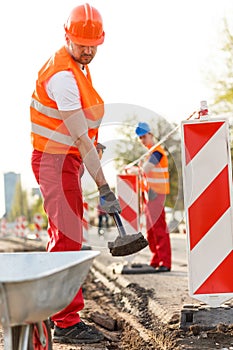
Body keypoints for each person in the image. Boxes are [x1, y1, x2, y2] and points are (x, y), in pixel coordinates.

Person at [30, 3, 121, 344]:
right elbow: (81, 138)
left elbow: (81, 136)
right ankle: (66, 322)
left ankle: (60, 314)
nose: (87, 50)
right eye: (81, 43)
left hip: (63, 159)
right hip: (55, 161)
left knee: (66, 235)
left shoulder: (77, 66)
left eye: (92, 44)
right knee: (67, 238)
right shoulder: (64, 77)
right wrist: (104, 188)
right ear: (67, 36)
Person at [135, 122, 172, 272]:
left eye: (144, 136)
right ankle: (156, 259)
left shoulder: (157, 151)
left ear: (151, 135)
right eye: (140, 138)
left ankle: (165, 262)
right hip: (149, 196)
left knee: (159, 228)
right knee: (151, 230)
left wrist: (134, 169)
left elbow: (146, 169)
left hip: (157, 193)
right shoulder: (150, 153)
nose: (143, 140)